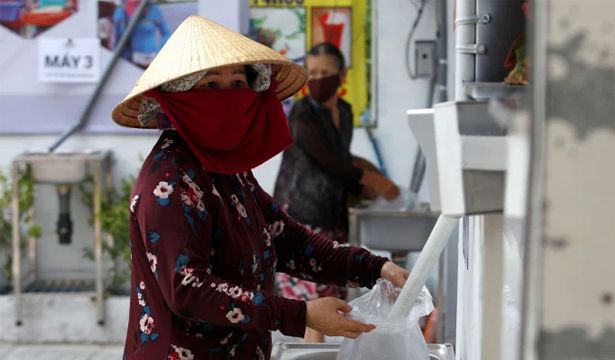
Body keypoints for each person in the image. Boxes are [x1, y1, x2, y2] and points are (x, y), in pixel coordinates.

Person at [112, 16, 409, 360]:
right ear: (179, 98)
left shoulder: (228, 170)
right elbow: (187, 289)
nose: (227, 97)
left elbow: (289, 242)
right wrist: (299, 314)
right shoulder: (168, 182)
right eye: (210, 86)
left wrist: (374, 268)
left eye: (238, 83)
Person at [273, 43, 399, 343]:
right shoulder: (302, 114)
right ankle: (310, 352)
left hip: (333, 212)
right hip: (301, 212)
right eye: (312, 73)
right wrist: (370, 179)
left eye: (325, 73)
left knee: (332, 295)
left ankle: (314, 352)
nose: (317, 79)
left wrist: (362, 185)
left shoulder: (344, 110)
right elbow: (329, 161)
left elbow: (342, 160)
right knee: (313, 305)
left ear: (342, 74)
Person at [113, 0, 171, 68]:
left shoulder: (154, 10)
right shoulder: (120, 12)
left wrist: (160, 51)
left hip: (151, 60)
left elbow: (166, 33)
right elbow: (116, 41)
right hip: (128, 62)